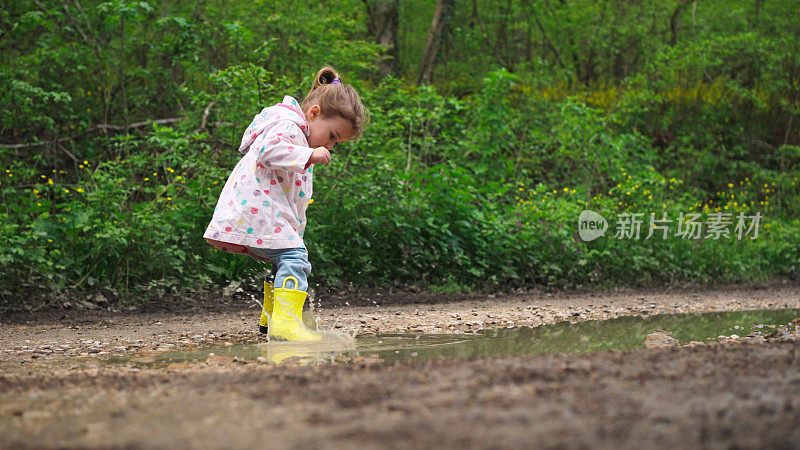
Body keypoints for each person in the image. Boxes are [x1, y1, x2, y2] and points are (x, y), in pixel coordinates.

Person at [203, 67, 368, 341]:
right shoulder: (287, 127)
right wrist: (310, 153)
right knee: (295, 259)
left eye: (336, 142)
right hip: (260, 210)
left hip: (264, 211)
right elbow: (269, 151)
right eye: (333, 136)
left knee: (283, 262)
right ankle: (285, 325)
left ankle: (271, 321)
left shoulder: (298, 137)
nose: (331, 145)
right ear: (314, 114)